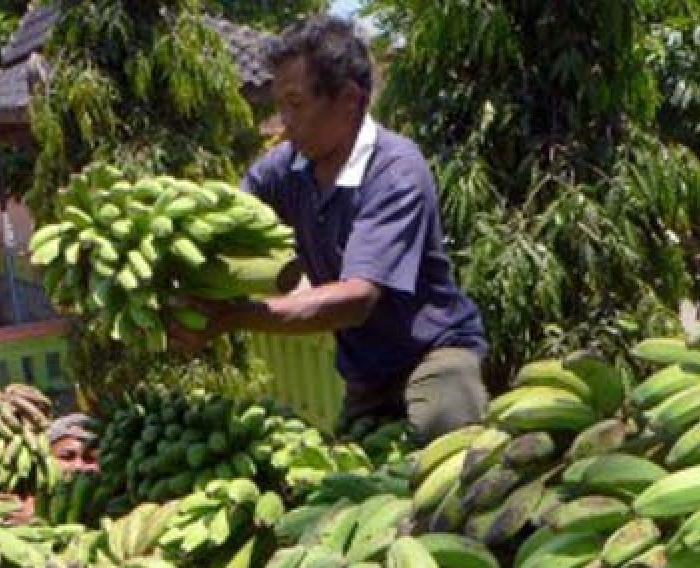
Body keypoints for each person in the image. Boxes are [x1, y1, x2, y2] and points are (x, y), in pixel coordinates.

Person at [168, 15, 489, 444]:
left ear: (350, 101)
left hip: (434, 353)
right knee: (351, 492)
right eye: (279, 105)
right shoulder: (284, 170)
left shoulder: (394, 171)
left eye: (295, 104)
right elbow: (228, 225)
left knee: (450, 466)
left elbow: (357, 299)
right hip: (365, 373)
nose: (283, 122)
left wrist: (234, 317)